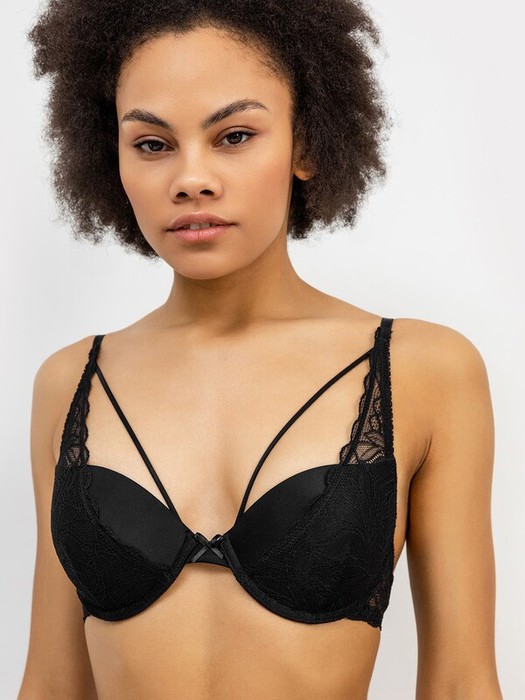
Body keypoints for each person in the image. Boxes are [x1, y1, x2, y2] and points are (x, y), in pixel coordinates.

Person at [19, 1, 503, 698]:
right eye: (151, 144)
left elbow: (461, 683)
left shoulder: (424, 370)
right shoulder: (70, 382)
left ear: (306, 143)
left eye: (235, 135)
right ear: (110, 158)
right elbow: (50, 684)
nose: (191, 179)